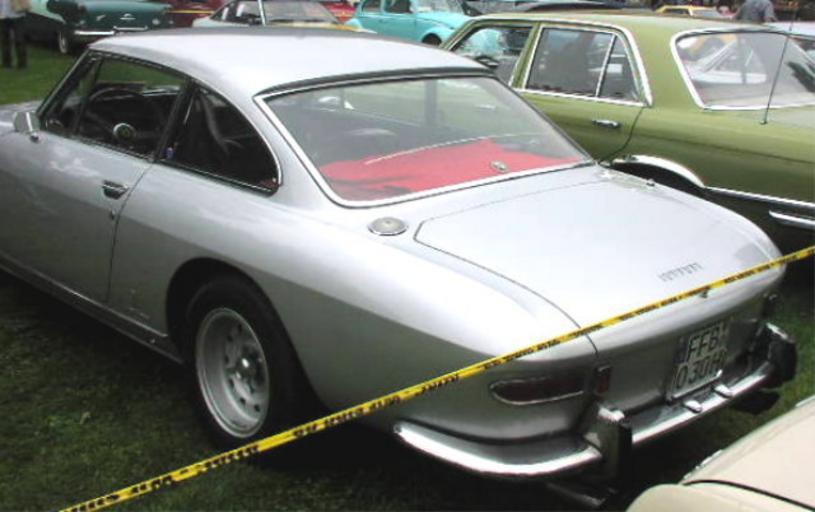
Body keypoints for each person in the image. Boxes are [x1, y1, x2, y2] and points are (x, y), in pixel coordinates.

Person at [0, 0, 28, 69]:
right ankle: (6, 63)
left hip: (18, 16)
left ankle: (22, 63)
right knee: (5, 41)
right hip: (4, 17)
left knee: (19, 40)